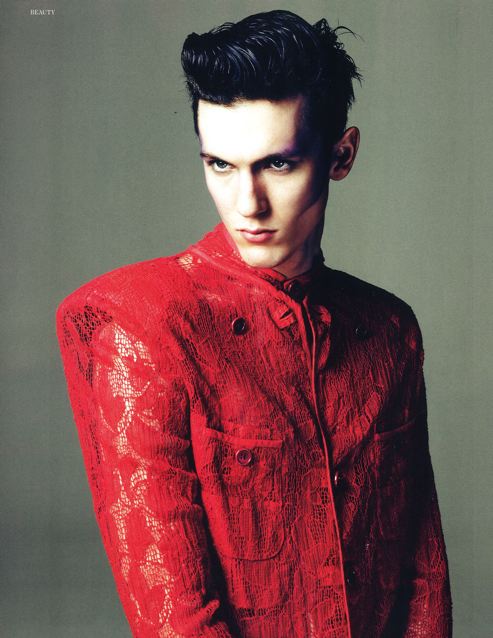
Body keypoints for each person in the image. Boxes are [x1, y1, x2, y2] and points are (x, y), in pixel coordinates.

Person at [56, 9, 452, 638]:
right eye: (220, 165)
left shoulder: (387, 329)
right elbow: (175, 618)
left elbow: (422, 573)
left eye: (278, 165)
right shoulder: (144, 326)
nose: (248, 204)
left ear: (341, 155)